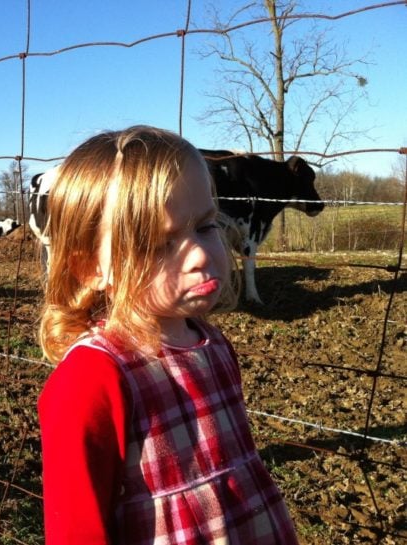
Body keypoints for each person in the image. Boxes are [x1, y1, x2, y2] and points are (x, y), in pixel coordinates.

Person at [37, 126, 299, 544]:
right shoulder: (91, 381)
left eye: (206, 225)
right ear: (91, 269)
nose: (198, 254)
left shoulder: (212, 345)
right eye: (160, 244)